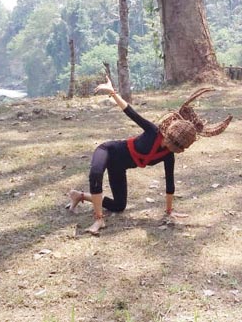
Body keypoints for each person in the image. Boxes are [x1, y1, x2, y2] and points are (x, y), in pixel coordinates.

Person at [67, 78, 232, 235]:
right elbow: (130, 112)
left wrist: (169, 211)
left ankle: (79, 195)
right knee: (96, 174)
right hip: (108, 151)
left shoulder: (169, 155)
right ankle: (98, 220)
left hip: (119, 167)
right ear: (169, 133)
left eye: (176, 147)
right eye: (171, 142)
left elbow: (170, 183)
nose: (170, 147)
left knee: (119, 206)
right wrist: (113, 92)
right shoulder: (153, 131)